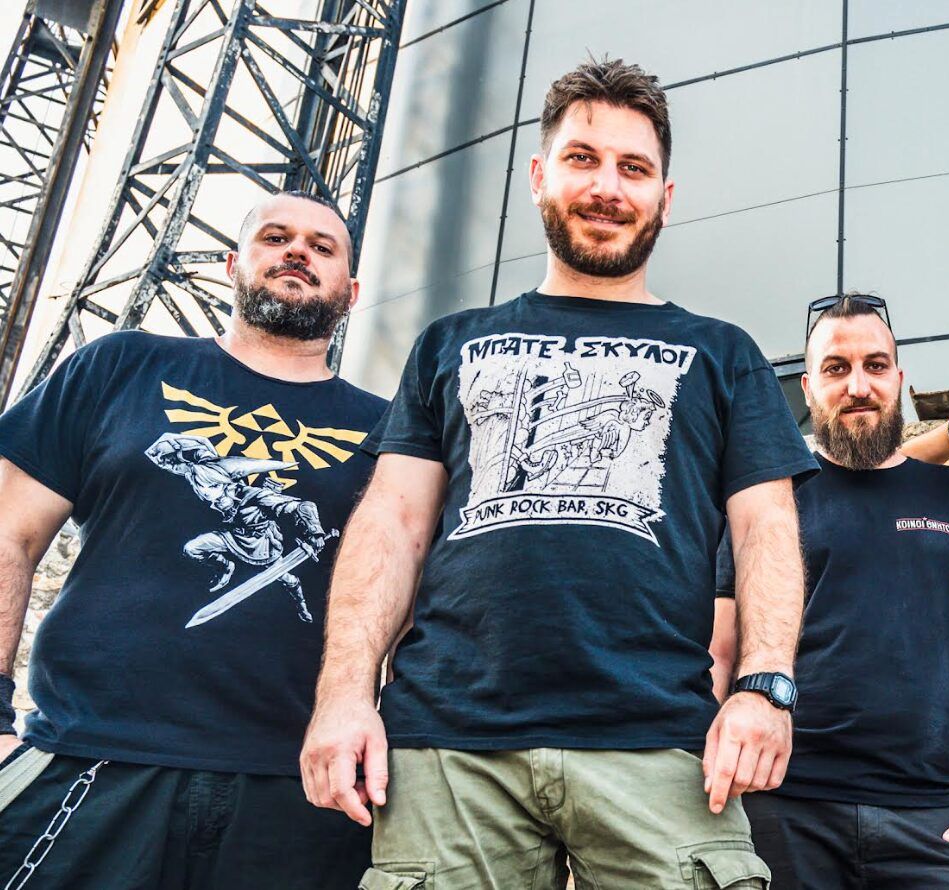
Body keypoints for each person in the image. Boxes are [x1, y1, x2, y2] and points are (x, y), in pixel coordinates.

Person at [301, 59, 813, 890]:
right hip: (450, 747)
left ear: (665, 198)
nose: (607, 186)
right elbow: (393, 521)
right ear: (540, 176)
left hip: (658, 741)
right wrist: (344, 694)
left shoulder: (723, 353)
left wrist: (764, 688)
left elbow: (767, 528)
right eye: (583, 159)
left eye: (633, 168)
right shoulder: (448, 343)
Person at [0, 192, 384, 887]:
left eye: (322, 246)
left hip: (297, 785)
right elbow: (9, 535)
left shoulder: (389, 432)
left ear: (351, 292)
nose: (298, 251)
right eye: (276, 237)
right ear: (233, 266)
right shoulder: (120, 368)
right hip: (93, 754)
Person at [710, 295, 949, 888]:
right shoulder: (768, 503)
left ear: (899, 378)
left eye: (875, 366)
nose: (858, 386)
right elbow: (718, 651)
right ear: (808, 387)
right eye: (836, 368)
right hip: (781, 808)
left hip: (935, 819)